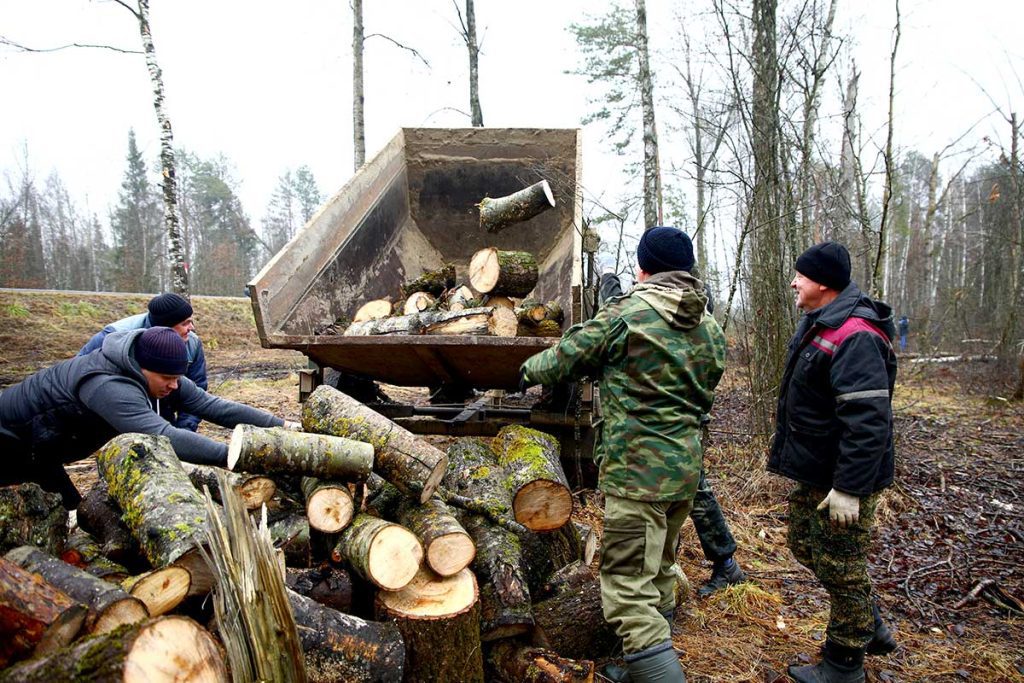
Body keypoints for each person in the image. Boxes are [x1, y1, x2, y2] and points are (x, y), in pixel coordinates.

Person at [522, 227, 727, 682]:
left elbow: (565, 358)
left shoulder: (627, 315)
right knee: (659, 569)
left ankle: (657, 673)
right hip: (684, 473)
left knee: (626, 588)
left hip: (637, 475)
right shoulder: (710, 326)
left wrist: (524, 370)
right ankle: (643, 668)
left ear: (645, 268)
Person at [769, 242, 899, 683]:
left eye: (800, 276)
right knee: (805, 545)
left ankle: (845, 664)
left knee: (841, 565)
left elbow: (868, 421)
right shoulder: (820, 321)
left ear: (823, 283)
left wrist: (849, 488)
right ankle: (867, 621)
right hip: (818, 472)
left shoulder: (856, 335)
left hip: (843, 478)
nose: (793, 283)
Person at [1, 327, 294, 509]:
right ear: (143, 369)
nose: (174, 386)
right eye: (167, 378)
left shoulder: (155, 370)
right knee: (48, 517)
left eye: (178, 378)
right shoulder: (108, 386)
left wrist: (282, 426)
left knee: (73, 513)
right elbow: (166, 437)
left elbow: (213, 406)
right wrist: (239, 457)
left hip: (43, 450)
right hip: (10, 444)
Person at [599, 264, 746, 597]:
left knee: (689, 491)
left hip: (671, 414)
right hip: (684, 411)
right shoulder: (694, 295)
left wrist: (608, 281)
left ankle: (717, 564)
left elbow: (618, 315)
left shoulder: (671, 302)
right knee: (685, 491)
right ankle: (698, 567)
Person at [79, 292, 207, 431]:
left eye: (191, 321)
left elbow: (197, 389)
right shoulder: (111, 338)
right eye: (184, 323)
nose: (192, 328)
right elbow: (80, 373)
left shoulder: (192, 342)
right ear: (166, 327)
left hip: (163, 408)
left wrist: (185, 430)